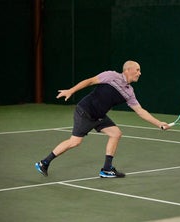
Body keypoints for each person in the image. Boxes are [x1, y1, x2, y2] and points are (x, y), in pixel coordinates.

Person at [35, 60, 170, 178]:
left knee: (116, 133)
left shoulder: (129, 92)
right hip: (85, 111)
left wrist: (159, 123)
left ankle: (106, 169)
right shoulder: (111, 76)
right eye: (138, 70)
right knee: (74, 142)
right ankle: (44, 163)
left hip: (99, 116)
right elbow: (90, 81)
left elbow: (140, 111)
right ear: (128, 70)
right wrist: (71, 90)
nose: (140, 73)